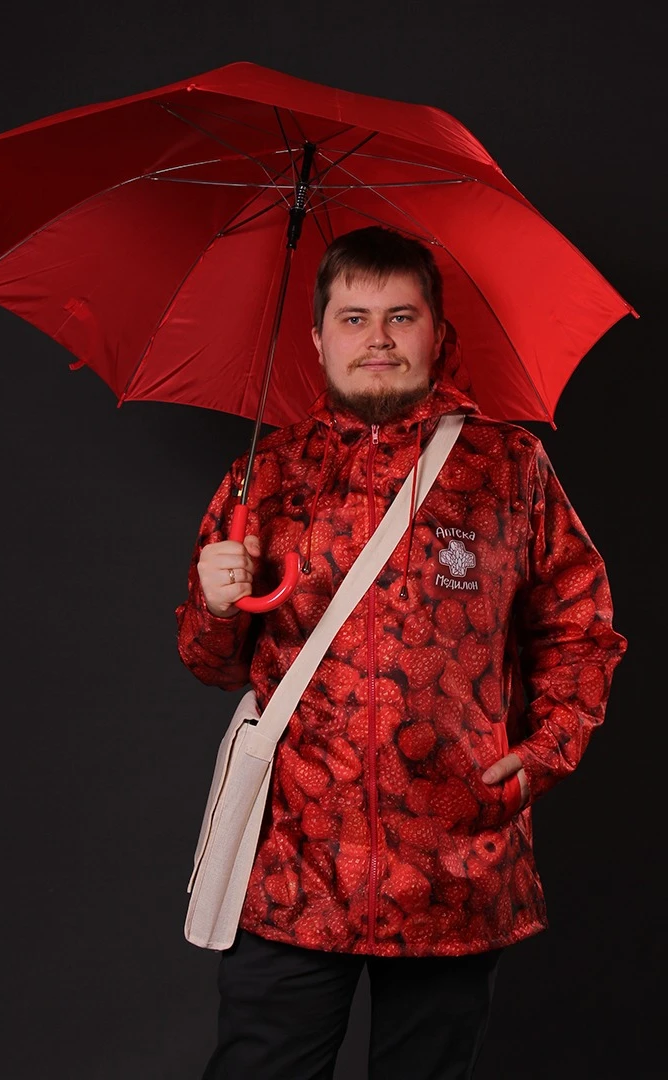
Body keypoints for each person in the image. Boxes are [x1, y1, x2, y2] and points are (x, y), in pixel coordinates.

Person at [174, 226, 627, 1079]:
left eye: (400, 316)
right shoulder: (265, 476)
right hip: (295, 868)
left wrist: (542, 756)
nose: (376, 339)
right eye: (353, 318)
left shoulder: (510, 467)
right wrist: (214, 604)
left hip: (456, 866)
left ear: (437, 333)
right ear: (318, 339)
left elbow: (580, 628)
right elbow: (210, 662)